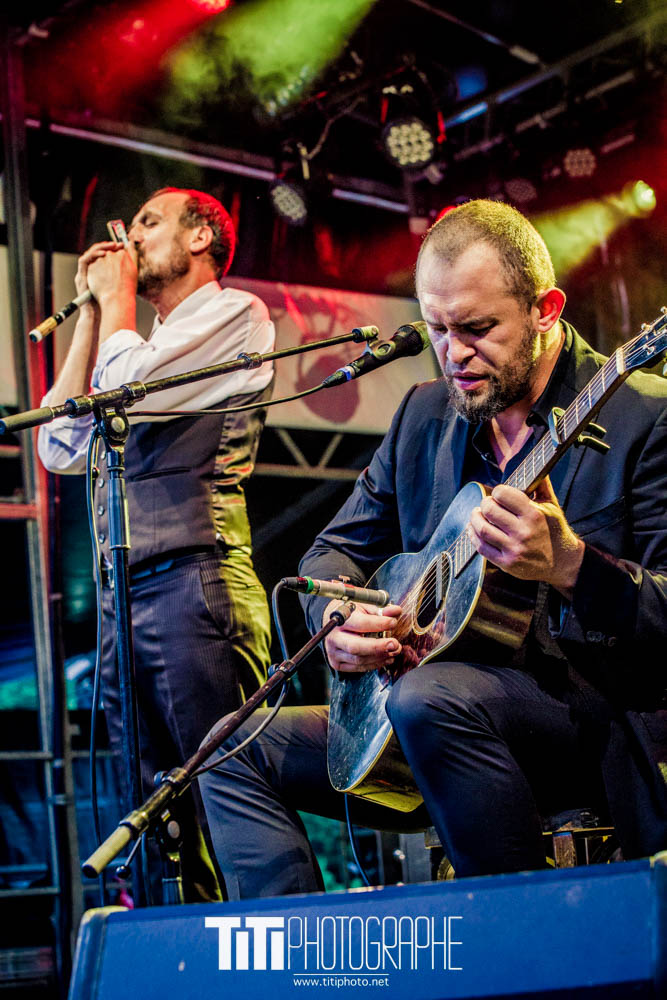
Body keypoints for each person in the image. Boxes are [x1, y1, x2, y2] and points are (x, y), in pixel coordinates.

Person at [198, 199, 667, 899]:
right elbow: (330, 557)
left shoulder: (643, 416)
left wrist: (569, 566)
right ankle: (296, 962)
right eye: (437, 328)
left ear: (545, 309)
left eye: (477, 329)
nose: (453, 353)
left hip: (586, 729)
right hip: (426, 709)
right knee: (227, 748)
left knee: (427, 698)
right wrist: (338, 625)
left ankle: (515, 941)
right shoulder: (423, 415)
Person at [38, 187, 275, 902]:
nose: (132, 239)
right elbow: (58, 444)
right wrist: (88, 315)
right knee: (150, 803)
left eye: (146, 223)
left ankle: (284, 955)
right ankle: (185, 954)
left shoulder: (235, 314)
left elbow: (133, 386)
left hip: (195, 585)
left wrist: (115, 305)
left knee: (226, 789)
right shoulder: (133, 338)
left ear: (201, 236)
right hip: (127, 597)